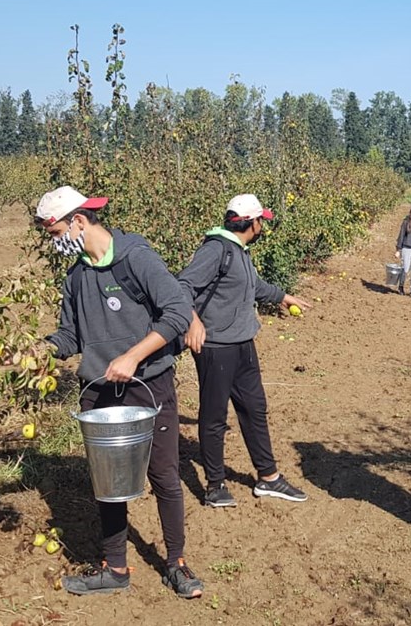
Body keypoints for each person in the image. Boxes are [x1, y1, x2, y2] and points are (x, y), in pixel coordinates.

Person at [34, 186, 203, 599]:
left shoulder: (136, 258)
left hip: (149, 383)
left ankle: (176, 562)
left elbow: (177, 312)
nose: (54, 241)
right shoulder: (75, 276)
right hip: (98, 388)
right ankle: (115, 567)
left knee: (163, 474)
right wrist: (35, 351)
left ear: (78, 221)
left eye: (55, 232)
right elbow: (70, 336)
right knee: (107, 481)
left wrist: (132, 356)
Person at [178, 193, 312, 508]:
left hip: (242, 343)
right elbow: (182, 285)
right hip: (215, 347)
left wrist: (282, 296)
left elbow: (252, 285)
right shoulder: (215, 250)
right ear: (251, 223)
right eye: (261, 219)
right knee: (213, 416)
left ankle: (268, 478)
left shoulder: (239, 251)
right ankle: (214, 484)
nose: (264, 223)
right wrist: (193, 321)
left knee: (254, 408)